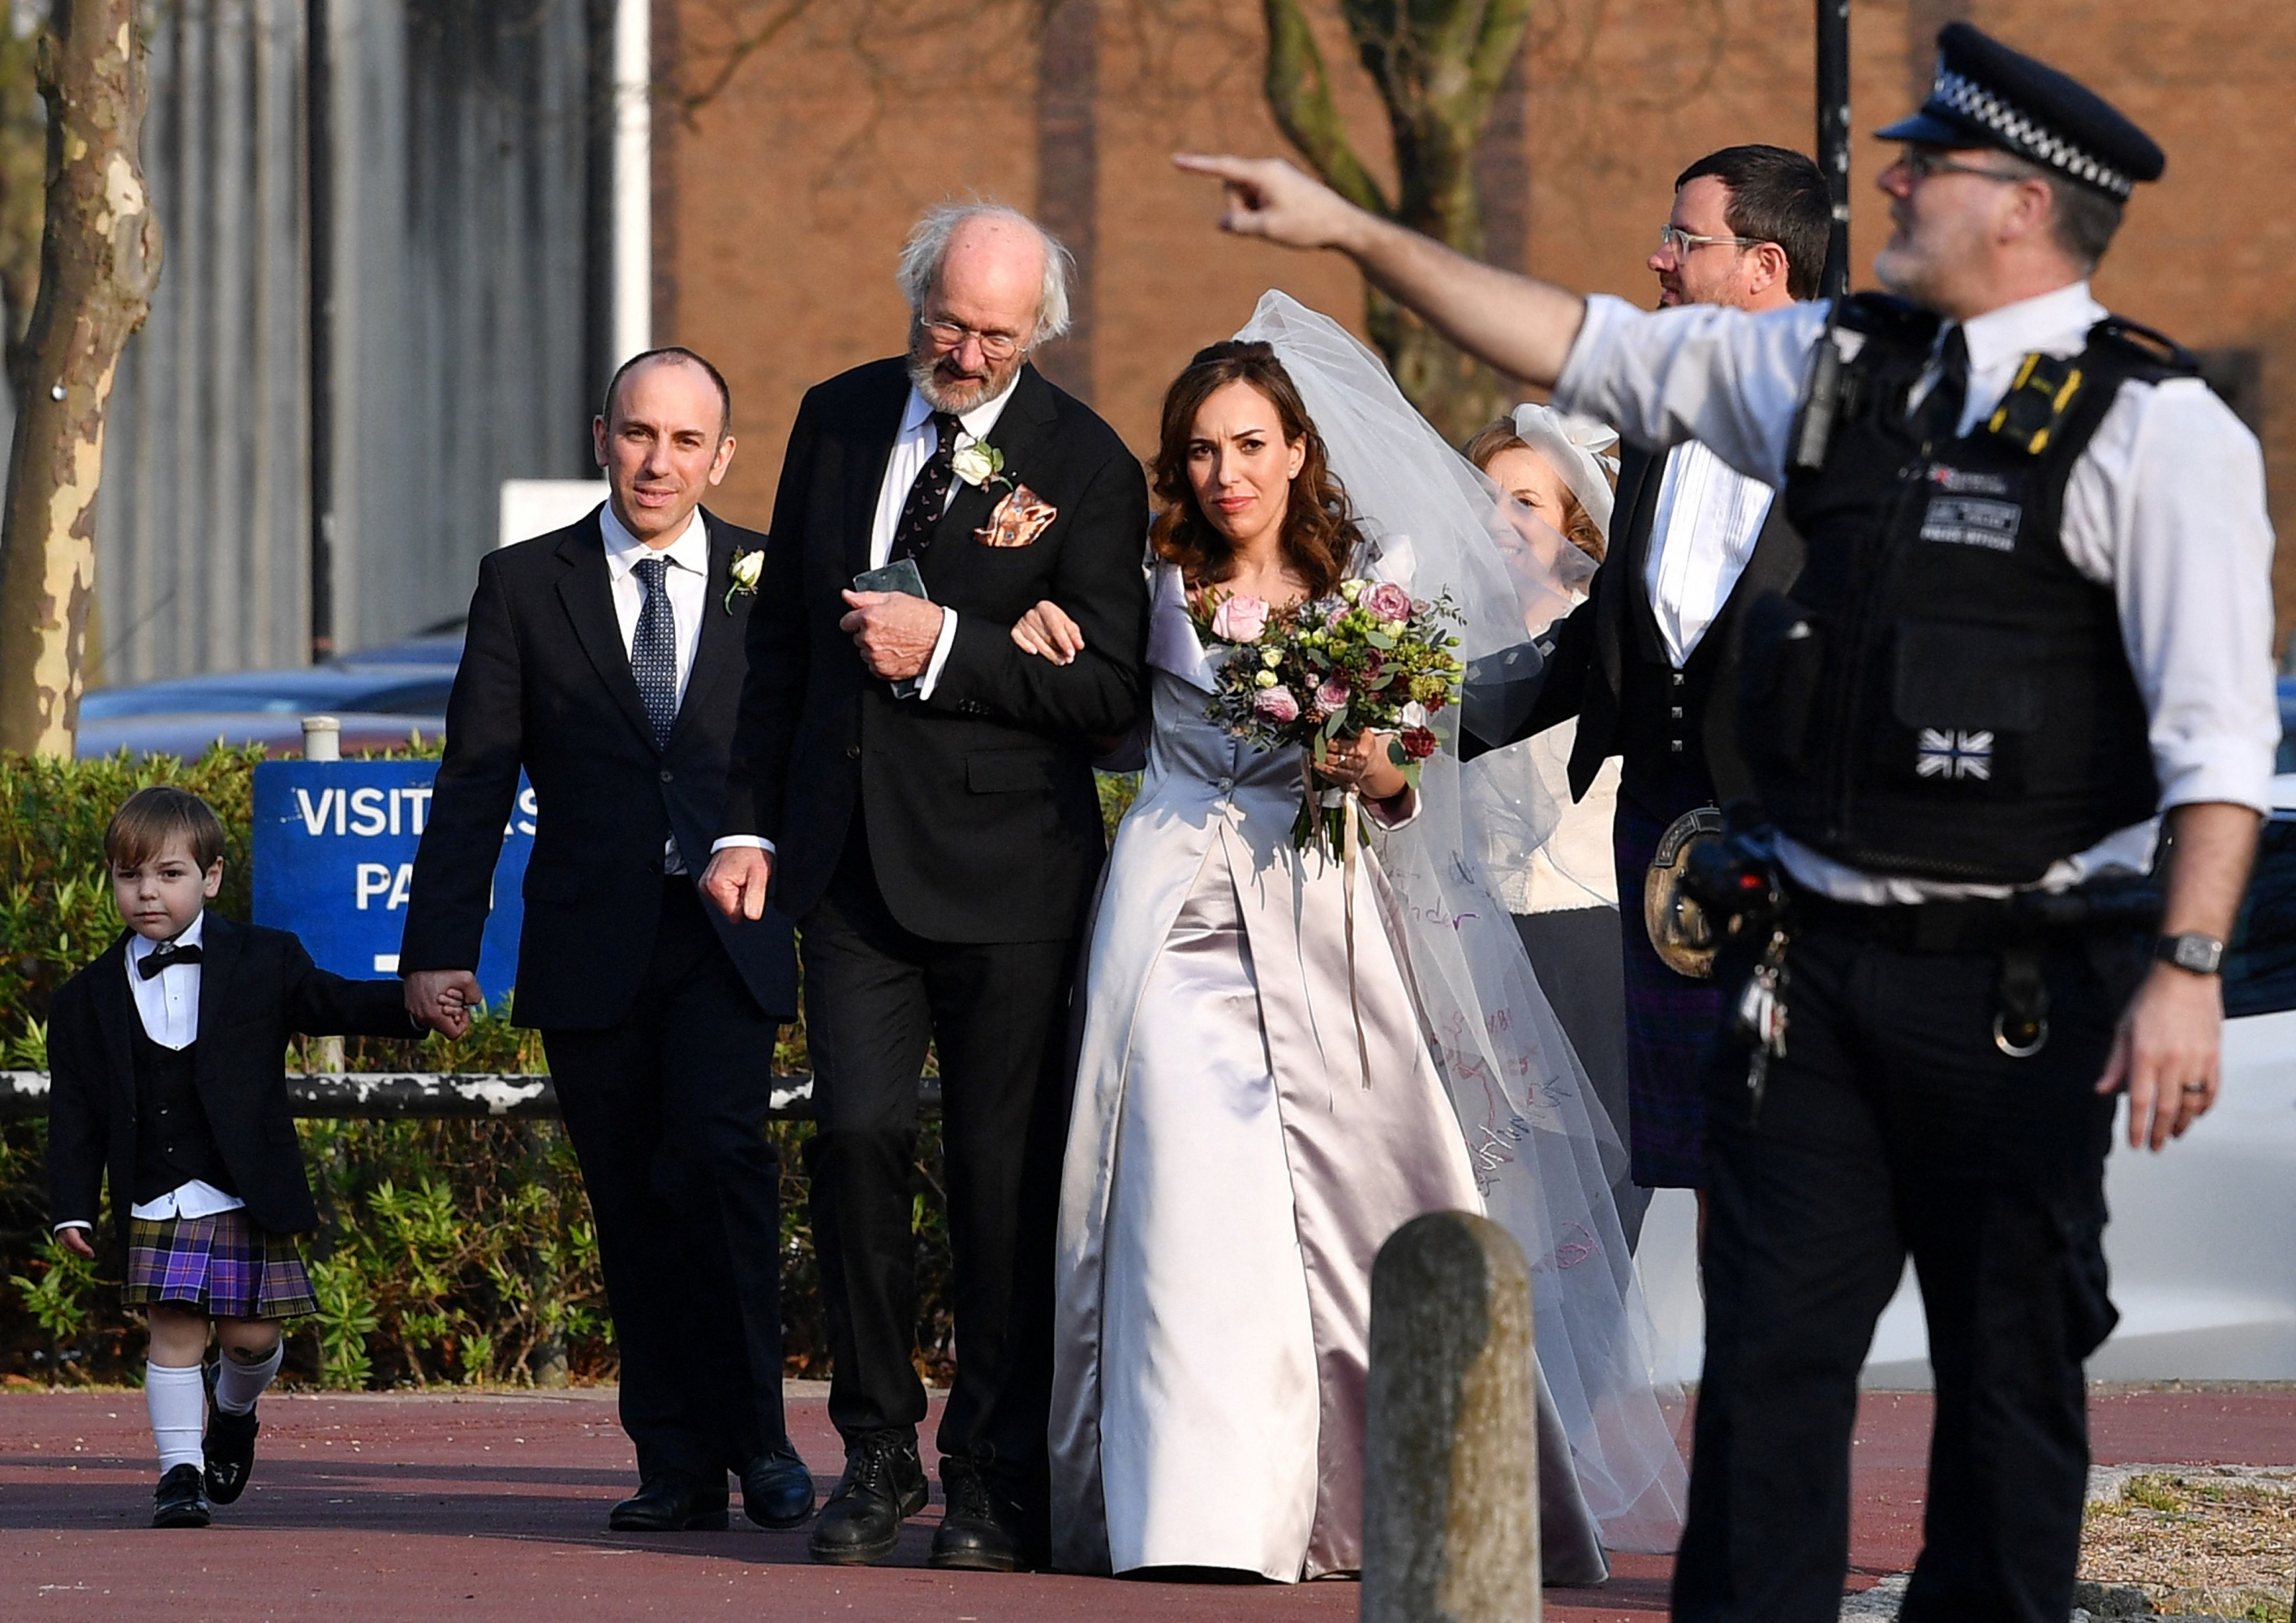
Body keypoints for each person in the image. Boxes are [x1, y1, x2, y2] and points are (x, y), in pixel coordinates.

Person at [1174, 19, 2276, 1623]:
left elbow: (2215, 736)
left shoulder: (2153, 428)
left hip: (2019, 983)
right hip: (1806, 974)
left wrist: (2181, 960)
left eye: (1930, 163)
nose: (1888, 177)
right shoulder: (1824, 372)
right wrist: (1351, 231)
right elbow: (1579, 342)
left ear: (2023, 206)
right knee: (1766, 1366)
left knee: (2007, 1367)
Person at [1033, 299, 1688, 1582]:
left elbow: (1407, 786)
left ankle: (1405, 1492)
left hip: (1322, 896)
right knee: (1184, 1183)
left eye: (1249, 445)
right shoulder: (1145, 584)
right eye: (1204, 451)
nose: (1226, 474)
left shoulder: (1371, 594)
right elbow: (1099, 711)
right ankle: (1200, 1510)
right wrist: (1044, 639)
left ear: (1295, 452)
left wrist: (1378, 771)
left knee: (1378, 1184)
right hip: (1171, 902)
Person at [699, 203, 1150, 1573]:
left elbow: (1111, 693)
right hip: (847, 875)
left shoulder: (1088, 463)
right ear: (915, 300)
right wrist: (749, 826)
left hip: (1014, 880)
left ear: (1038, 334)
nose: (964, 350)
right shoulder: (838, 418)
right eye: (946, 322)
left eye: (995, 334)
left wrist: (949, 643)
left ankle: (995, 1475)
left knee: (1003, 1185)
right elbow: (777, 649)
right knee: (853, 1149)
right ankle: (879, 1447)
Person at [398, 347, 807, 1535]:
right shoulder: (526, 582)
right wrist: (440, 944)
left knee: (724, 1171)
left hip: (726, 939)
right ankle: (674, 1463)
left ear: (722, 457)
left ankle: (765, 1444)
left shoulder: (770, 583)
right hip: (590, 945)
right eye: (639, 433)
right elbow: (474, 777)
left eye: (686, 441)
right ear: (600, 436)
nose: (658, 461)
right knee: (632, 1202)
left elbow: (804, 760)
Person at [1498, 146, 1828, 1213]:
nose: (1657, 259)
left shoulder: (1859, 434)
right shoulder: (1650, 424)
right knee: (1688, 1170)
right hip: (1661, 853)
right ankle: (1716, 1382)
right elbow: (1607, 630)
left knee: (1800, 1166)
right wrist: (1423, 718)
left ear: (1759, 267)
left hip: (1800, 859)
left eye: (1684, 241)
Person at [46, 786, 451, 1528]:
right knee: (173, 1327)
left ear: (213, 878)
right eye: (129, 875)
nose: (147, 892)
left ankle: (232, 1415)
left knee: (252, 1337)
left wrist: (414, 1005)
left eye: (169, 874)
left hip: (243, 1186)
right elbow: (75, 1115)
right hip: (156, 1194)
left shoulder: (265, 958)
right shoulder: (83, 999)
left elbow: (332, 1001)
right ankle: (179, 1474)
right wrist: (71, 1204)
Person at [1464, 407, 1645, 1246]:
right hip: (1488, 938)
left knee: (1605, 1177)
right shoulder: (1439, 632)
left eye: (1525, 503)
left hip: (1593, 929)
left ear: (1573, 520)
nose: (1501, 520)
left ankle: (1592, 1361)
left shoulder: (1612, 640)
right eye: (1487, 498)